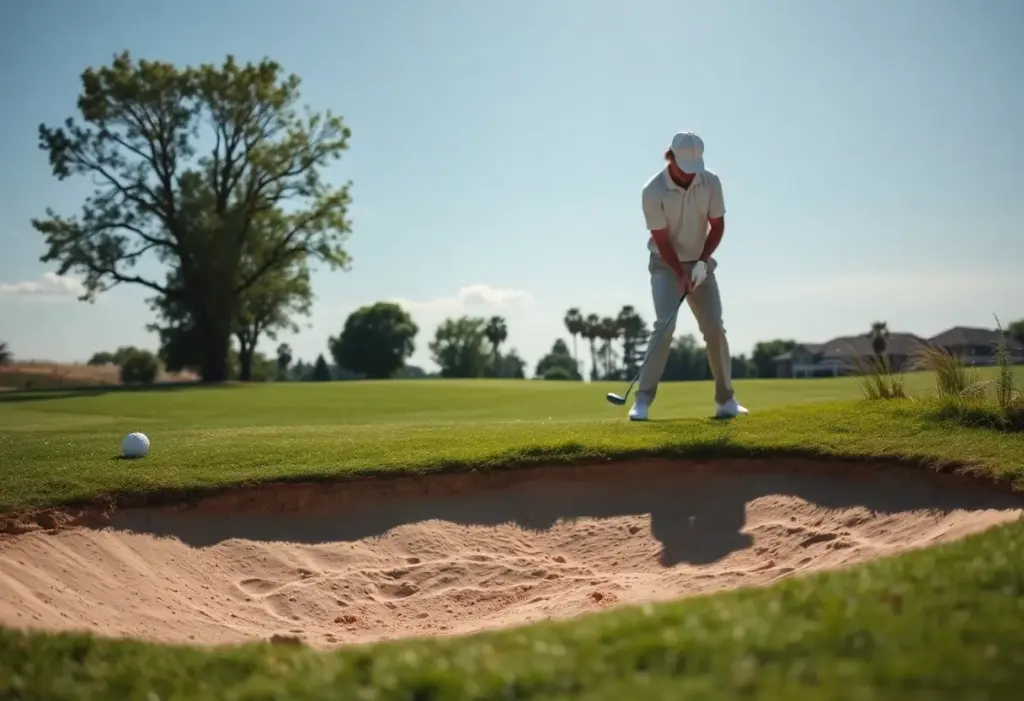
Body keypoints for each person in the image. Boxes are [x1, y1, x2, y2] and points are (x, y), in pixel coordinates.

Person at [631, 130, 748, 421]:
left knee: (714, 327)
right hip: (664, 262)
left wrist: (702, 262)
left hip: (700, 261)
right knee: (664, 327)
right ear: (669, 158)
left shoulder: (711, 182)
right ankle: (642, 401)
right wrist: (679, 273)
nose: (690, 176)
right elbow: (661, 240)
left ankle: (726, 400)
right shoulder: (652, 190)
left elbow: (717, 226)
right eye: (684, 169)